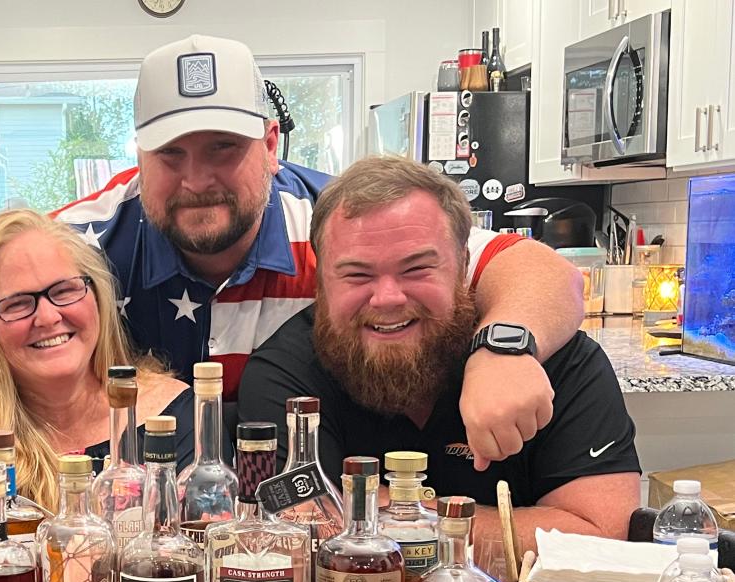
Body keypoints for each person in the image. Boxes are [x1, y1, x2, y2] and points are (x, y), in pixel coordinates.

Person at [0, 34, 585, 505]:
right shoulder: (91, 237)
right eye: (171, 155)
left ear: (269, 143)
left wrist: (507, 344)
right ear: (139, 157)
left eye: (223, 147)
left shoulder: (343, 226)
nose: (197, 180)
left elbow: (534, 267)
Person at [237, 156, 641, 555]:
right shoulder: (284, 377)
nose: (388, 298)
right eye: (357, 274)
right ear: (321, 280)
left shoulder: (556, 362)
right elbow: (308, 526)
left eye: (416, 269)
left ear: (464, 264)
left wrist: (374, 515)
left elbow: (603, 537)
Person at [0, 209, 191, 511]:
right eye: (18, 304)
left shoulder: (176, 420)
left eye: (65, 290)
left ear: (97, 295)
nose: (48, 317)